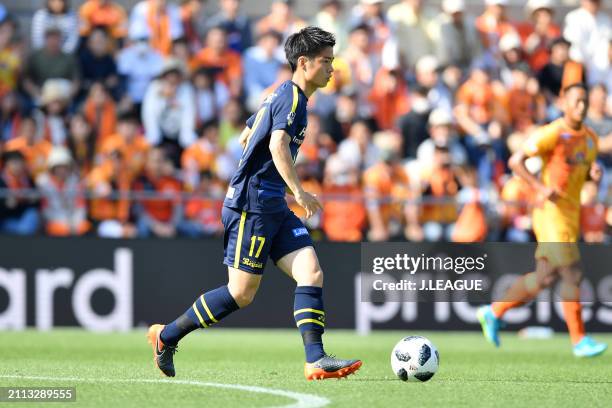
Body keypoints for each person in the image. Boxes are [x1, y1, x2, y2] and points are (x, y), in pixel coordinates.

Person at [147, 26, 362, 380]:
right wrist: (299, 191)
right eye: (326, 61)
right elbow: (276, 145)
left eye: (333, 61)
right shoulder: (291, 99)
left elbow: (249, 134)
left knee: (311, 272)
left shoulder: (283, 96)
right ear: (304, 63)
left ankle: (315, 359)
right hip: (253, 205)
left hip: (270, 202)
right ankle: (167, 336)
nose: (332, 69)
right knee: (241, 293)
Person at [477, 83, 608, 358]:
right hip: (550, 214)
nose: (581, 106)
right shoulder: (552, 133)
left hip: (570, 215)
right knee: (573, 273)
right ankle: (579, 340)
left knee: (544, 278)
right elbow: (516, 161)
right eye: (576, 101)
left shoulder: (591, 140)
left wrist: (591, 175)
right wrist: (539, 187)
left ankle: (493, 311)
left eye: (585, 101)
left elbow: (577, 174)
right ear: (564, 102)